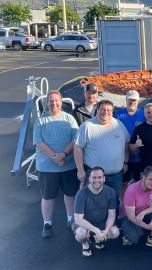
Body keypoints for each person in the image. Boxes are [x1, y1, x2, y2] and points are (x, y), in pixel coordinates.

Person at [33, 90, 79, 238]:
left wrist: (63, 154)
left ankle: (71, 220)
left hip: (68, 165)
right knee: (48, 197)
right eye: (51, 101)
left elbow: (75, 139)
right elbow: (38, 142)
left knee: (70, 194)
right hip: (47, 168)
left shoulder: (69, 119)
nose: (54, 103)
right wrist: (55, 157)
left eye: (56, 101)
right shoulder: (40, 121)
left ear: (61, 102)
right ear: (47, 103)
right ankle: (47, 224)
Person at [74, 99, 130, 201]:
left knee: (114, 203)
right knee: (92, 203)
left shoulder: (119, 124)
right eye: (103, 109)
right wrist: (80, 170)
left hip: (116, 176)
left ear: (112, 112)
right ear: (97, 109)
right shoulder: (87, 126)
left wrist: (126, 162)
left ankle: (114, 218)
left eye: (109, 110)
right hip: (94, 176)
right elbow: (77, 148)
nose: (106, 112)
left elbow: (126, 144)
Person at [73, 166, 119, 257]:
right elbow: (78, 220)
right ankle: (85, 243)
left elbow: (111, 215)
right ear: (89, 179)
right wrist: (96, 230)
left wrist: (105, 231)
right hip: (85, 225)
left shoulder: (111, 192)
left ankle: (96, 238)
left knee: (115, 232)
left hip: (102, 223)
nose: (97, 180)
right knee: (81, 234)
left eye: (99, 177)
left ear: (104, 178)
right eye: (94, 177)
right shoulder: (81, 194)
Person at [119, 166, 152, 250]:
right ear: (143, 178)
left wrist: (143, 212)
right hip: (128, 217)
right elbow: (131, 217)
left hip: (143, 213)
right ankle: (127, 233)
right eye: (150, 179)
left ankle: (151, 238)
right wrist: (147, 227)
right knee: (133, 239)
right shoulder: (131, 190)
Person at [114, 90, 145, 184]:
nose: (132, 102)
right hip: (122, 156)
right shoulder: (118, 114)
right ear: (126, 100)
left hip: (139, 156)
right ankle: (122, 199)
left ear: (138, 101)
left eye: (134, 100)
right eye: (130, 100)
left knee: (139, 182)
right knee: (123, 182)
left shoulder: (143, 114)